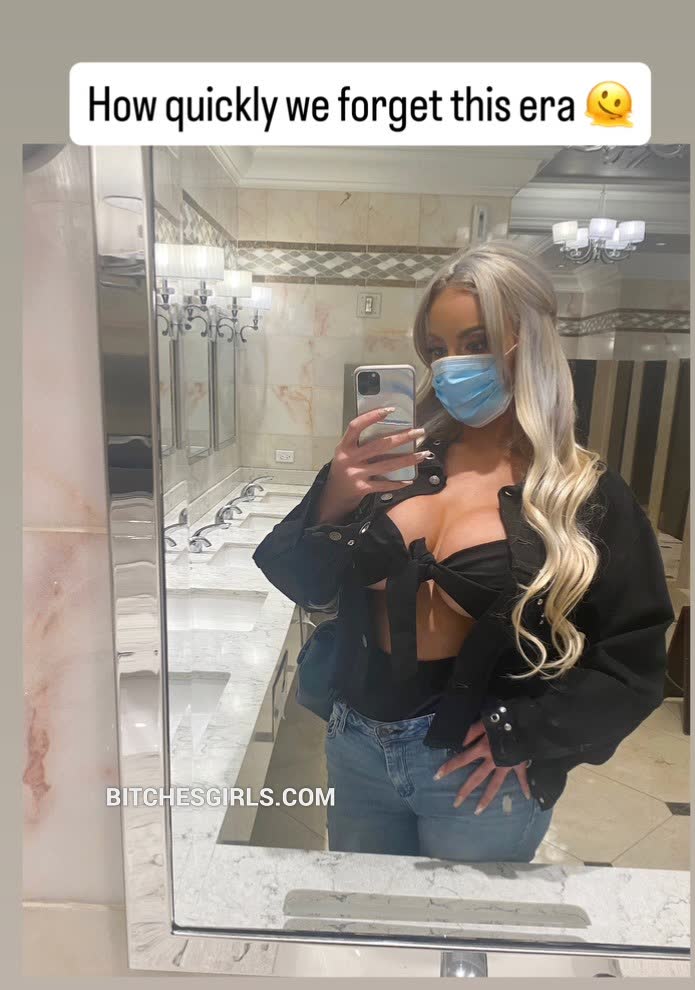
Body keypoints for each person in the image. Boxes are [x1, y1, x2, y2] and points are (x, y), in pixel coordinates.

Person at [253, 240, 675, 863]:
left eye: (476, 342)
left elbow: (633, 660)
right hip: (356, 747)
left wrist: (525, 734)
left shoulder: (580, 494)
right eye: (437, 349)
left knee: (459, 925)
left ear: (529, 343)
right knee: (363, 914)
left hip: (478, 770)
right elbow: (302, 582)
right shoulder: (390, 465)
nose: (451, 366)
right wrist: (337, 494)